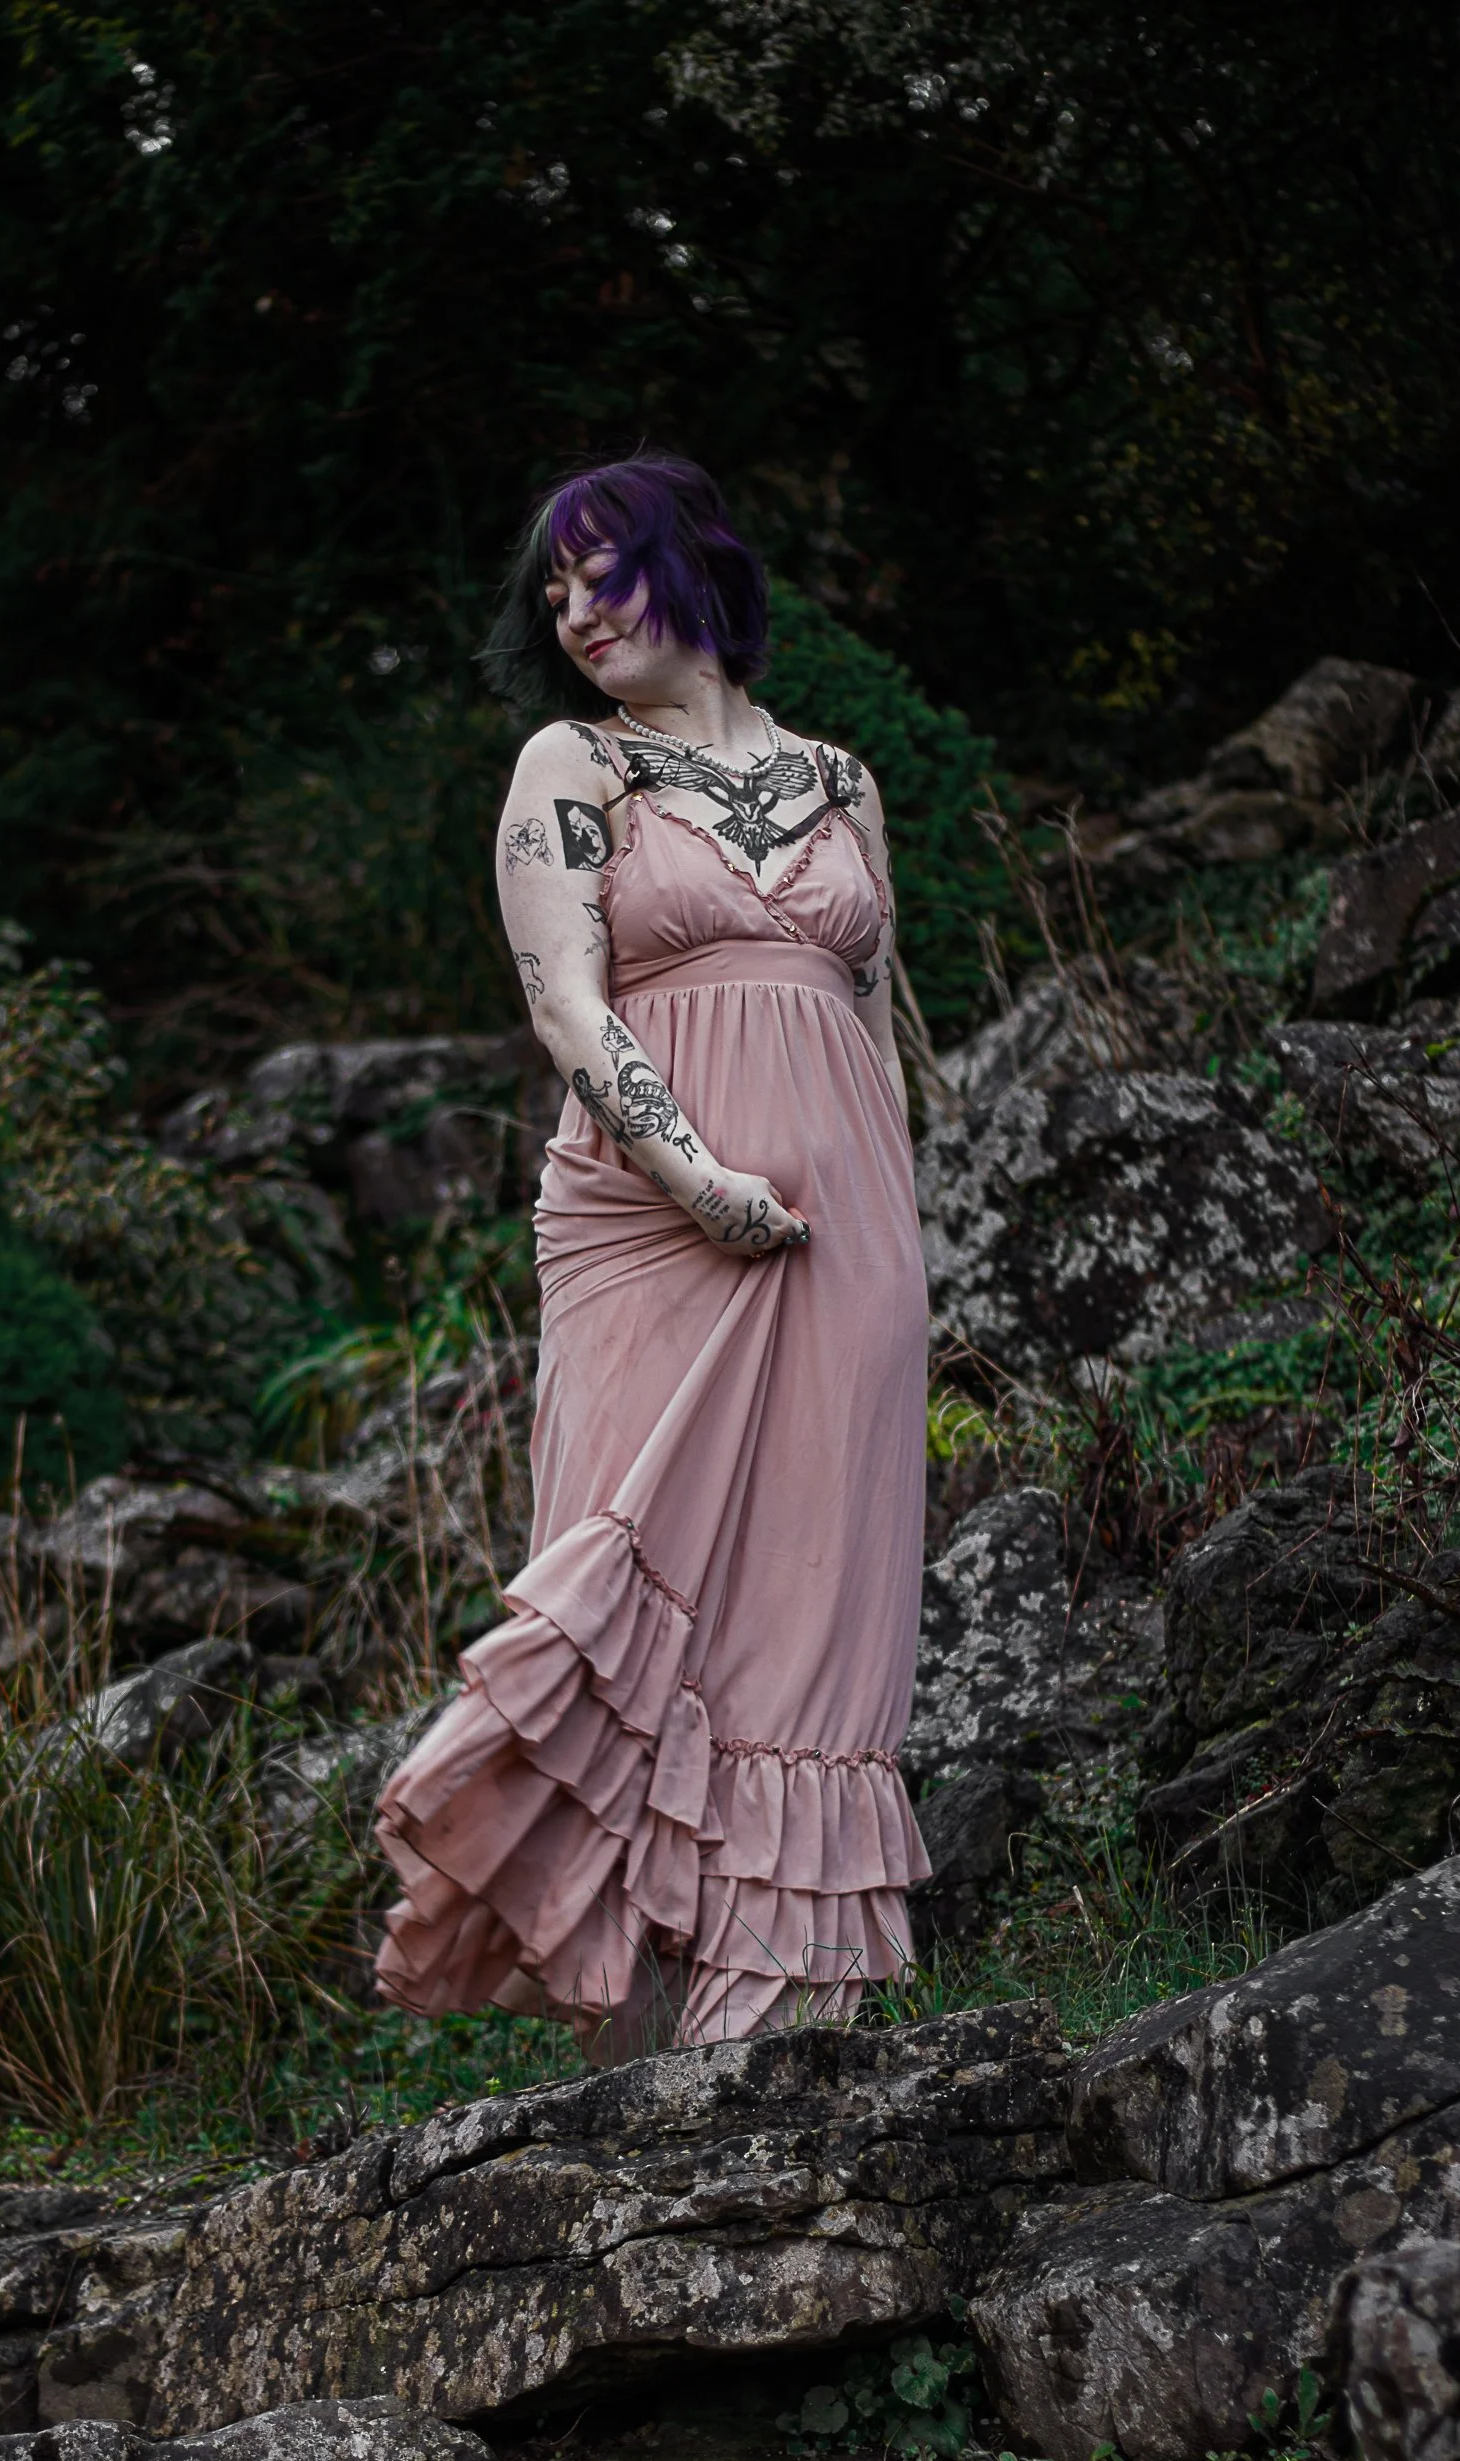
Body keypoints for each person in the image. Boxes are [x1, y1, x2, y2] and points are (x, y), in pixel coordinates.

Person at [374, 452, 929, 2060]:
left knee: (814, 1621)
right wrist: (696, 1175)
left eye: (597, 569)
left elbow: (877, 1032)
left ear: (691, 564)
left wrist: (898, 1260)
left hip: (843, 1253)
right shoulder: (572, 760)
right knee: (638, 1585)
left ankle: (796, 2034)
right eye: (553, 588)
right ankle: (647, 2050)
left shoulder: (842, 781)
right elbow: (567, 1004)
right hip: (648, 1227)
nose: (573, 607)